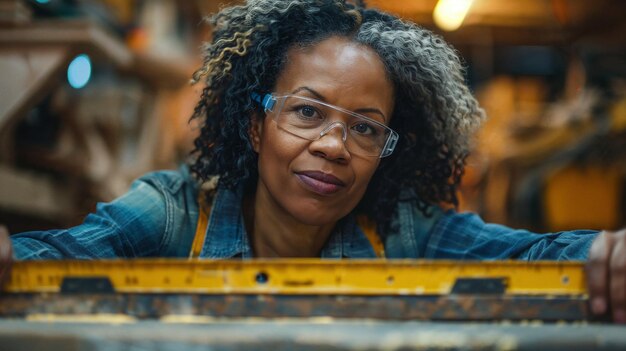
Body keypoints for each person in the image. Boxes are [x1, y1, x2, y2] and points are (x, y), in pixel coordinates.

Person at [0, 0, 624, 322]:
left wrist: (606, 254)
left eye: (364, 128)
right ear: (254, 123)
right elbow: (55, 256)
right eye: (306, 113)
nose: (333, 144)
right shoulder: (172, 212)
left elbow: (529, 259)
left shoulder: (404, 230)